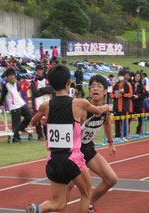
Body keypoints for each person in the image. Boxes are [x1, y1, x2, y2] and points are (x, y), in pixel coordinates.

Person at [27, 65, 110, 213]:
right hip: (72, 158)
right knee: (86, 194)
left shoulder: (45, 105)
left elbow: (33, 122)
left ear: (50, 85)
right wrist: (106, 108)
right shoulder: (79, 103)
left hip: (53, 160)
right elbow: (98, 111)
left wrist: (44, 118)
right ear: (68, 83)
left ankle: (38, 208)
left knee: (59, 203)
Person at [66, 75, 117, 213]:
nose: (95, 88)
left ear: (105, 91)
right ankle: (56, 207)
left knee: (111, 179)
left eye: (99, 86)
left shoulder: (105, 110)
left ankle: (88, 205)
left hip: (88, 148)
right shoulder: (82, 107)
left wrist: (110, 143)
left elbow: (106, 123)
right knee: (69, 185)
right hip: (74, 151)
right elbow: (66, 115)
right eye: (92, 86)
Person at [0, 68, 33, 143]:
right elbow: (3, 95)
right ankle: (16, 138)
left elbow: (19, 76)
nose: (11, 77)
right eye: (10, 75)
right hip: (13, 105)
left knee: (29, 116)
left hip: (21, 103)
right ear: (7, 76)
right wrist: (0, 104)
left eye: (13, 75)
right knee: (16, 123)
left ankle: (22, 127)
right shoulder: (6, 85)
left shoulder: (15, 82)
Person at [30, 65, 53, 140]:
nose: (39, 71)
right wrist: (45, 91)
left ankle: (47, 135)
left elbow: (50, 89)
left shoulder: (47, 80)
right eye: (38, 70)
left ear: (43, 71)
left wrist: (40, 89)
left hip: (47, 103)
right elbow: (34, 93)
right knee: (38, 120)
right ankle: (40, 136)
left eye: (41, 70)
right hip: (37, 103)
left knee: (48, 119)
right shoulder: (33, 81)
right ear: (36, 71)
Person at [110, 70, 133, 139]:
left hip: (124, 106)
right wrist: (116, 95)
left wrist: (123, 93)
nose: (120, 77)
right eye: (119, 76)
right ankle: (117, 135)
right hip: (116, 106)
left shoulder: (128, 84)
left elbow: (130, 95)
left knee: (125, 121)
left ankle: (126, 135)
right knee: (116, 121)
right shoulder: (115, 85)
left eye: (122, 76)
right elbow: (111, 95)